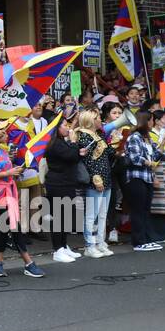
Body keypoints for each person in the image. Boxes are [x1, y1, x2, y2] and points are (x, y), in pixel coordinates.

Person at [0, 122, 44, 278]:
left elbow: (5, 170)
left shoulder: (2, 150)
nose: (7, 134)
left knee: (5, 228)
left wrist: (14, 171)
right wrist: (9, 172)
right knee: (14, 226)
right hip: (0, 193)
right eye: (3, 132)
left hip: (10, 191)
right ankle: (28, 262)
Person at [124, 111, 165, 252]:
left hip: (147, 178)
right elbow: (135, 158)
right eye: (151, 120)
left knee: (146, 210)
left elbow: (155, 155)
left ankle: (147, 239)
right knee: (138, 211)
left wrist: (161, 145)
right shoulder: (134, 137)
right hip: (137, 178)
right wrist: (148, 162)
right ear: (145, 121)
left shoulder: (146, 138)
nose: (153, 123)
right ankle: (138, 241)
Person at [43, 115, 86, 262]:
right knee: (59, 218)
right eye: (65, 125)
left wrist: (79, 153)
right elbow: (69, 156)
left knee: (66, 217)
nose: (68, 128)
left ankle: (63, 245)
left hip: (67, 183)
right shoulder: (54, 144)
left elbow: (72, 158)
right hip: (57, 184)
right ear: (57, 128)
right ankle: (57, 249)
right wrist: (74, 143)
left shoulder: (62, 142)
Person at [75, 109, 115, 258]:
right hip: (96, 179)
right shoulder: (84, 137)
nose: (101, 120)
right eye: (98, 118)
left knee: (102, 214)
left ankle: (100, 241)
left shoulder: (98, 135)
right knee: (92, 214)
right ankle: (89, 245)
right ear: (91, 120)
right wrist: (95, 178)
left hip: (106, 176)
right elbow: (87, 161)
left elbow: (110, 153)